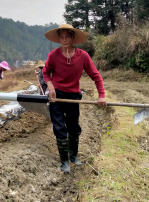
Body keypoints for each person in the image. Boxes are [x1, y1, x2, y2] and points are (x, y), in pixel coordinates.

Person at [42, 24, 107, 173]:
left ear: (72, 37)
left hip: (73, 96)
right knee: (59, 128)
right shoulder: (53, 55)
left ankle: (73, 156)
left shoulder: (83, 56)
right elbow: (46, 72)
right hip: (57, 96)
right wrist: (50, 86)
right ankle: (64, 161)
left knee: (73, 127)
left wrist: (101, 96)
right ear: (59, 38)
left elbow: (96, 76)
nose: (64, 39)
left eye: (67, 36)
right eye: (61, 37)